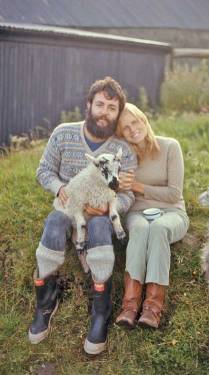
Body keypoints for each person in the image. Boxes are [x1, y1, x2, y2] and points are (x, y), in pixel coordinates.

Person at [28, 77, 137, 355]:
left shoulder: (122, 150)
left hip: (100, 212)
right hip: (68, 206)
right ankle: (45, 301)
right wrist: (60, 188)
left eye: (112, 108)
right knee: (54, 222)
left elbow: (127, 194)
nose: (104, 112)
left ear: (117, 113)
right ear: (88, 105)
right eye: (100, 104)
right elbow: (44, 171)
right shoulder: (63, 133)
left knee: (100, 226)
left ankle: (101, 309)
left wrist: (111, 207)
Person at [115, 103, 189, 329]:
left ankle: (152, 309)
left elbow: (174, 193)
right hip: (137, 213)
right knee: (140, 229)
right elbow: (118, 191)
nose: (133, 129)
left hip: (172, 212)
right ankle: (129, 306)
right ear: (121, 134)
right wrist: (118, 186)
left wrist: (138, 186)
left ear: (144, 120)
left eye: (135, 121)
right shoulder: (124, 157)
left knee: (158, 228)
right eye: (125, 127)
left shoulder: (170, 147)